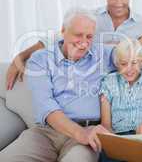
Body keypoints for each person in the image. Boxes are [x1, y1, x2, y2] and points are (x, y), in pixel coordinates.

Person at [0, 8, 114, 162]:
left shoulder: (102, 54)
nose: (84, 43)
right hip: (46, 133)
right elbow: (46, 105)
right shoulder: (41, 59)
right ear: (63, 31)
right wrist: (80, 134)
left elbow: (136, 53)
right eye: (78, 35)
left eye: (89, 37)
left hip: (88, 130)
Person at [6, 0, 142, 90]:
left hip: (120, 85)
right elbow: (55, 38)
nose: (119, 4)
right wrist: (20, 58)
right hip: (89, 80)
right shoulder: (90, 17)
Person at [100, 39, 142, 136]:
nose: (129, 69)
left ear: (141, 62)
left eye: (134, 63)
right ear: (117, 64)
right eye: (123, 64)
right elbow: (106, 125)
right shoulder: (109, 81)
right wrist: (115, 141)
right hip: (117, 136)